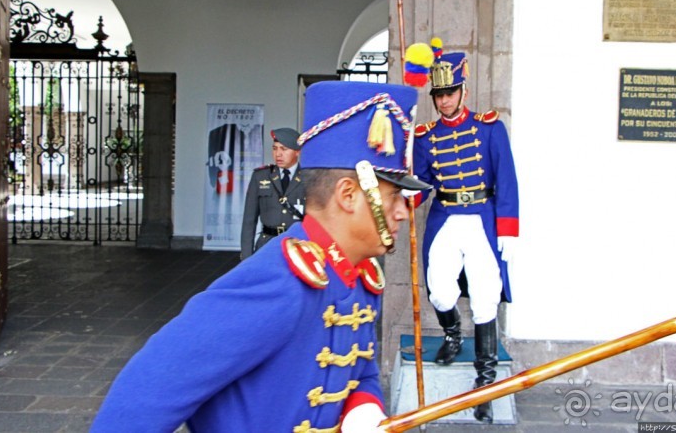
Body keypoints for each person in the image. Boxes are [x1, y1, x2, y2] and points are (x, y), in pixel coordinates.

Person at [90, 81, 430, 433]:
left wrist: (363, 411)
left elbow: (362, 371)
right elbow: (147, 388)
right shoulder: (278, 280)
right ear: (348, 194)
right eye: (393, 197)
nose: (403, 212)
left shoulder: (359, 278)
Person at [412, 40, 519, 424]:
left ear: (464, 91)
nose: (443, 101)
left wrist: (507, 227)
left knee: (485, 296)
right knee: (440, 291)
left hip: (482, 219)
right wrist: (406, 199)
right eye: (438, 94)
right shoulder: (425, 137)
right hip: (444, 217)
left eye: (450, 93)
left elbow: (505, 177)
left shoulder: (489, 129)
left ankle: (485, 384)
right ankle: (453, 335)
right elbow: (422, 183)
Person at [240, 127, 305, 260]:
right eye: (275, 148)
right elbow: (249, 220)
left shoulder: (307, 178)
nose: (278, 154)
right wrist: (246, 256)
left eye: (284, 149)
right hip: (267, 245)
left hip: (298, 245)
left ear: (297, 152)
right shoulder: (261, 176)